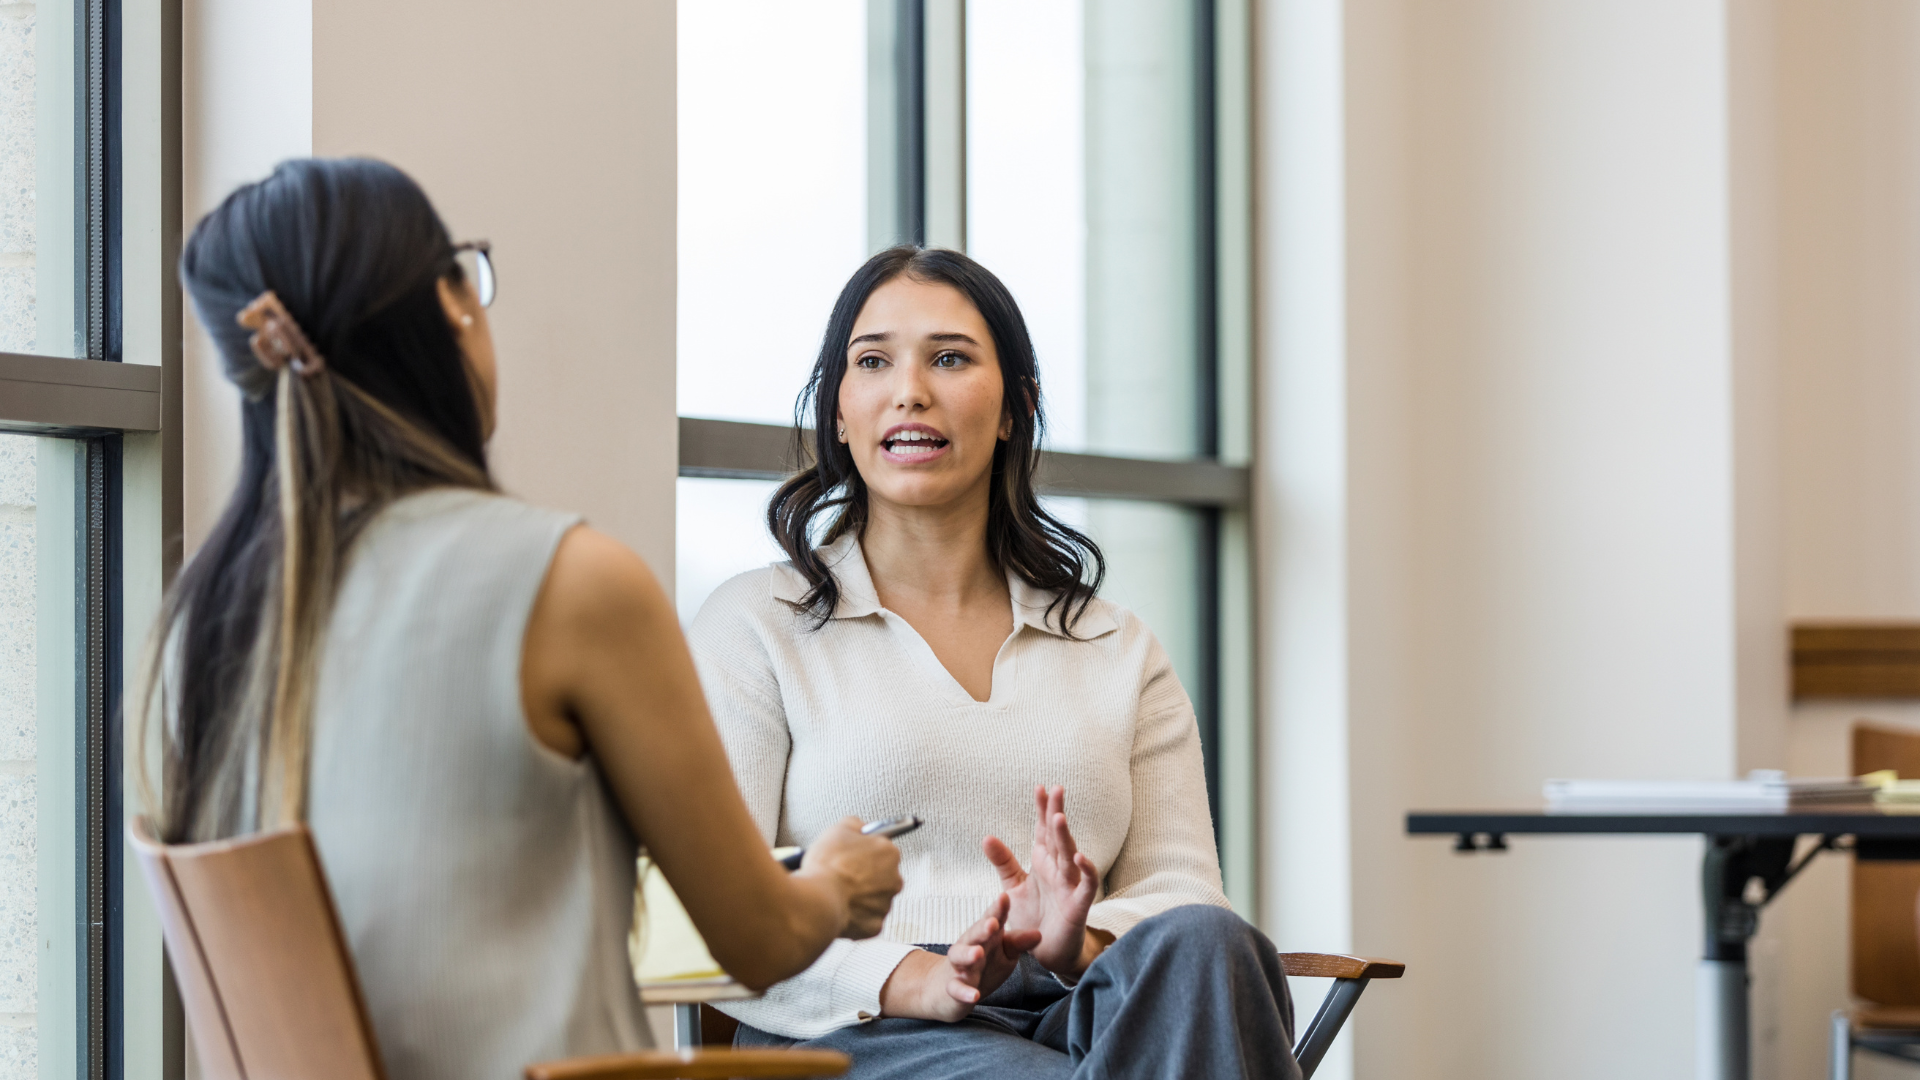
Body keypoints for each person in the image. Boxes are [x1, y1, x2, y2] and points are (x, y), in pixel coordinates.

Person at [137, 158, 904, 1080]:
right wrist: (836, 883)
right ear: (450, 303)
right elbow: (757, 939)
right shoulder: (570, 584)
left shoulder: (205, 622)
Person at [690, 246, 1302, 1079]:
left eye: (948, 358)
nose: (910, 389)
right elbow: (695, 917)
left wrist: (1075, 940)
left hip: (1078, 1008)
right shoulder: (757, 625)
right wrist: (914, 978)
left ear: (1015, 408)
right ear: (840, 410)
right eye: (873, 362)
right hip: (856, 1027)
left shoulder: (1113, 645)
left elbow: (1184, 892)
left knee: (1210, 941)